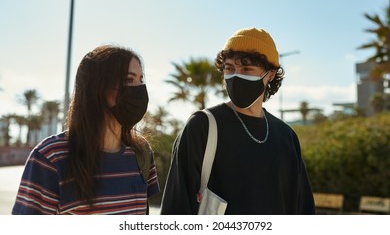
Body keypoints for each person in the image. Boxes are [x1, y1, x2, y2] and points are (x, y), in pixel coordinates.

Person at [160, 27, 315, 215]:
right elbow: (176, 207)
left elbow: (302, 209)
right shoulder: (203, 126)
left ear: (270, 75)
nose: (236, 75)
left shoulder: (286, 136)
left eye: (247, 69)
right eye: (229, 68)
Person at [12, 45, 159, 215]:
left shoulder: (141, 153)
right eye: (128, 80)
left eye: (141, 80)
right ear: (98, 87)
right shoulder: (51, 157)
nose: (139, 89)